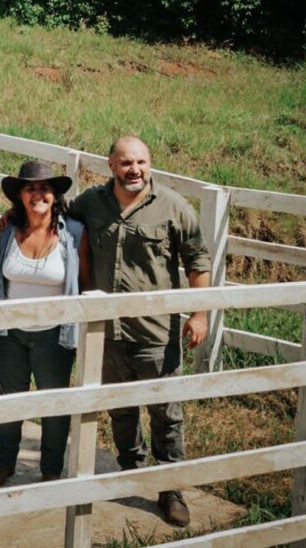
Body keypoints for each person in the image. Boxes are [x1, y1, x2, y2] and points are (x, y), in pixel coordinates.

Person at [69, 135, 211, 528]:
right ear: (110, 165)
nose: (135, 170)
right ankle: (131, 469)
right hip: (107, 333)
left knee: (166, 412)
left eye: (141, 162)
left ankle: (171, 489)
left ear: (150, 164)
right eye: (126, 162)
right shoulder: (90, 204)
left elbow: (198, 259)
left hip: (155, 331)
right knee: (121, 409)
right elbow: (56, 221)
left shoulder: (172, 206)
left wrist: (199, 315)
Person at [0, 161, 88, 489]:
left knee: (54, 404)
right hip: (11, 334)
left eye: (45, 188)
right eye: (30, 188)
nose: (38, 194)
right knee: (11, 399)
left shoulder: (74, 233)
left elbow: (87, 282)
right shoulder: (8, 230)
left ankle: (51, 469)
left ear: (55, 195)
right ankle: (4, 464)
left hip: (54, 335)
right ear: (20, 196)